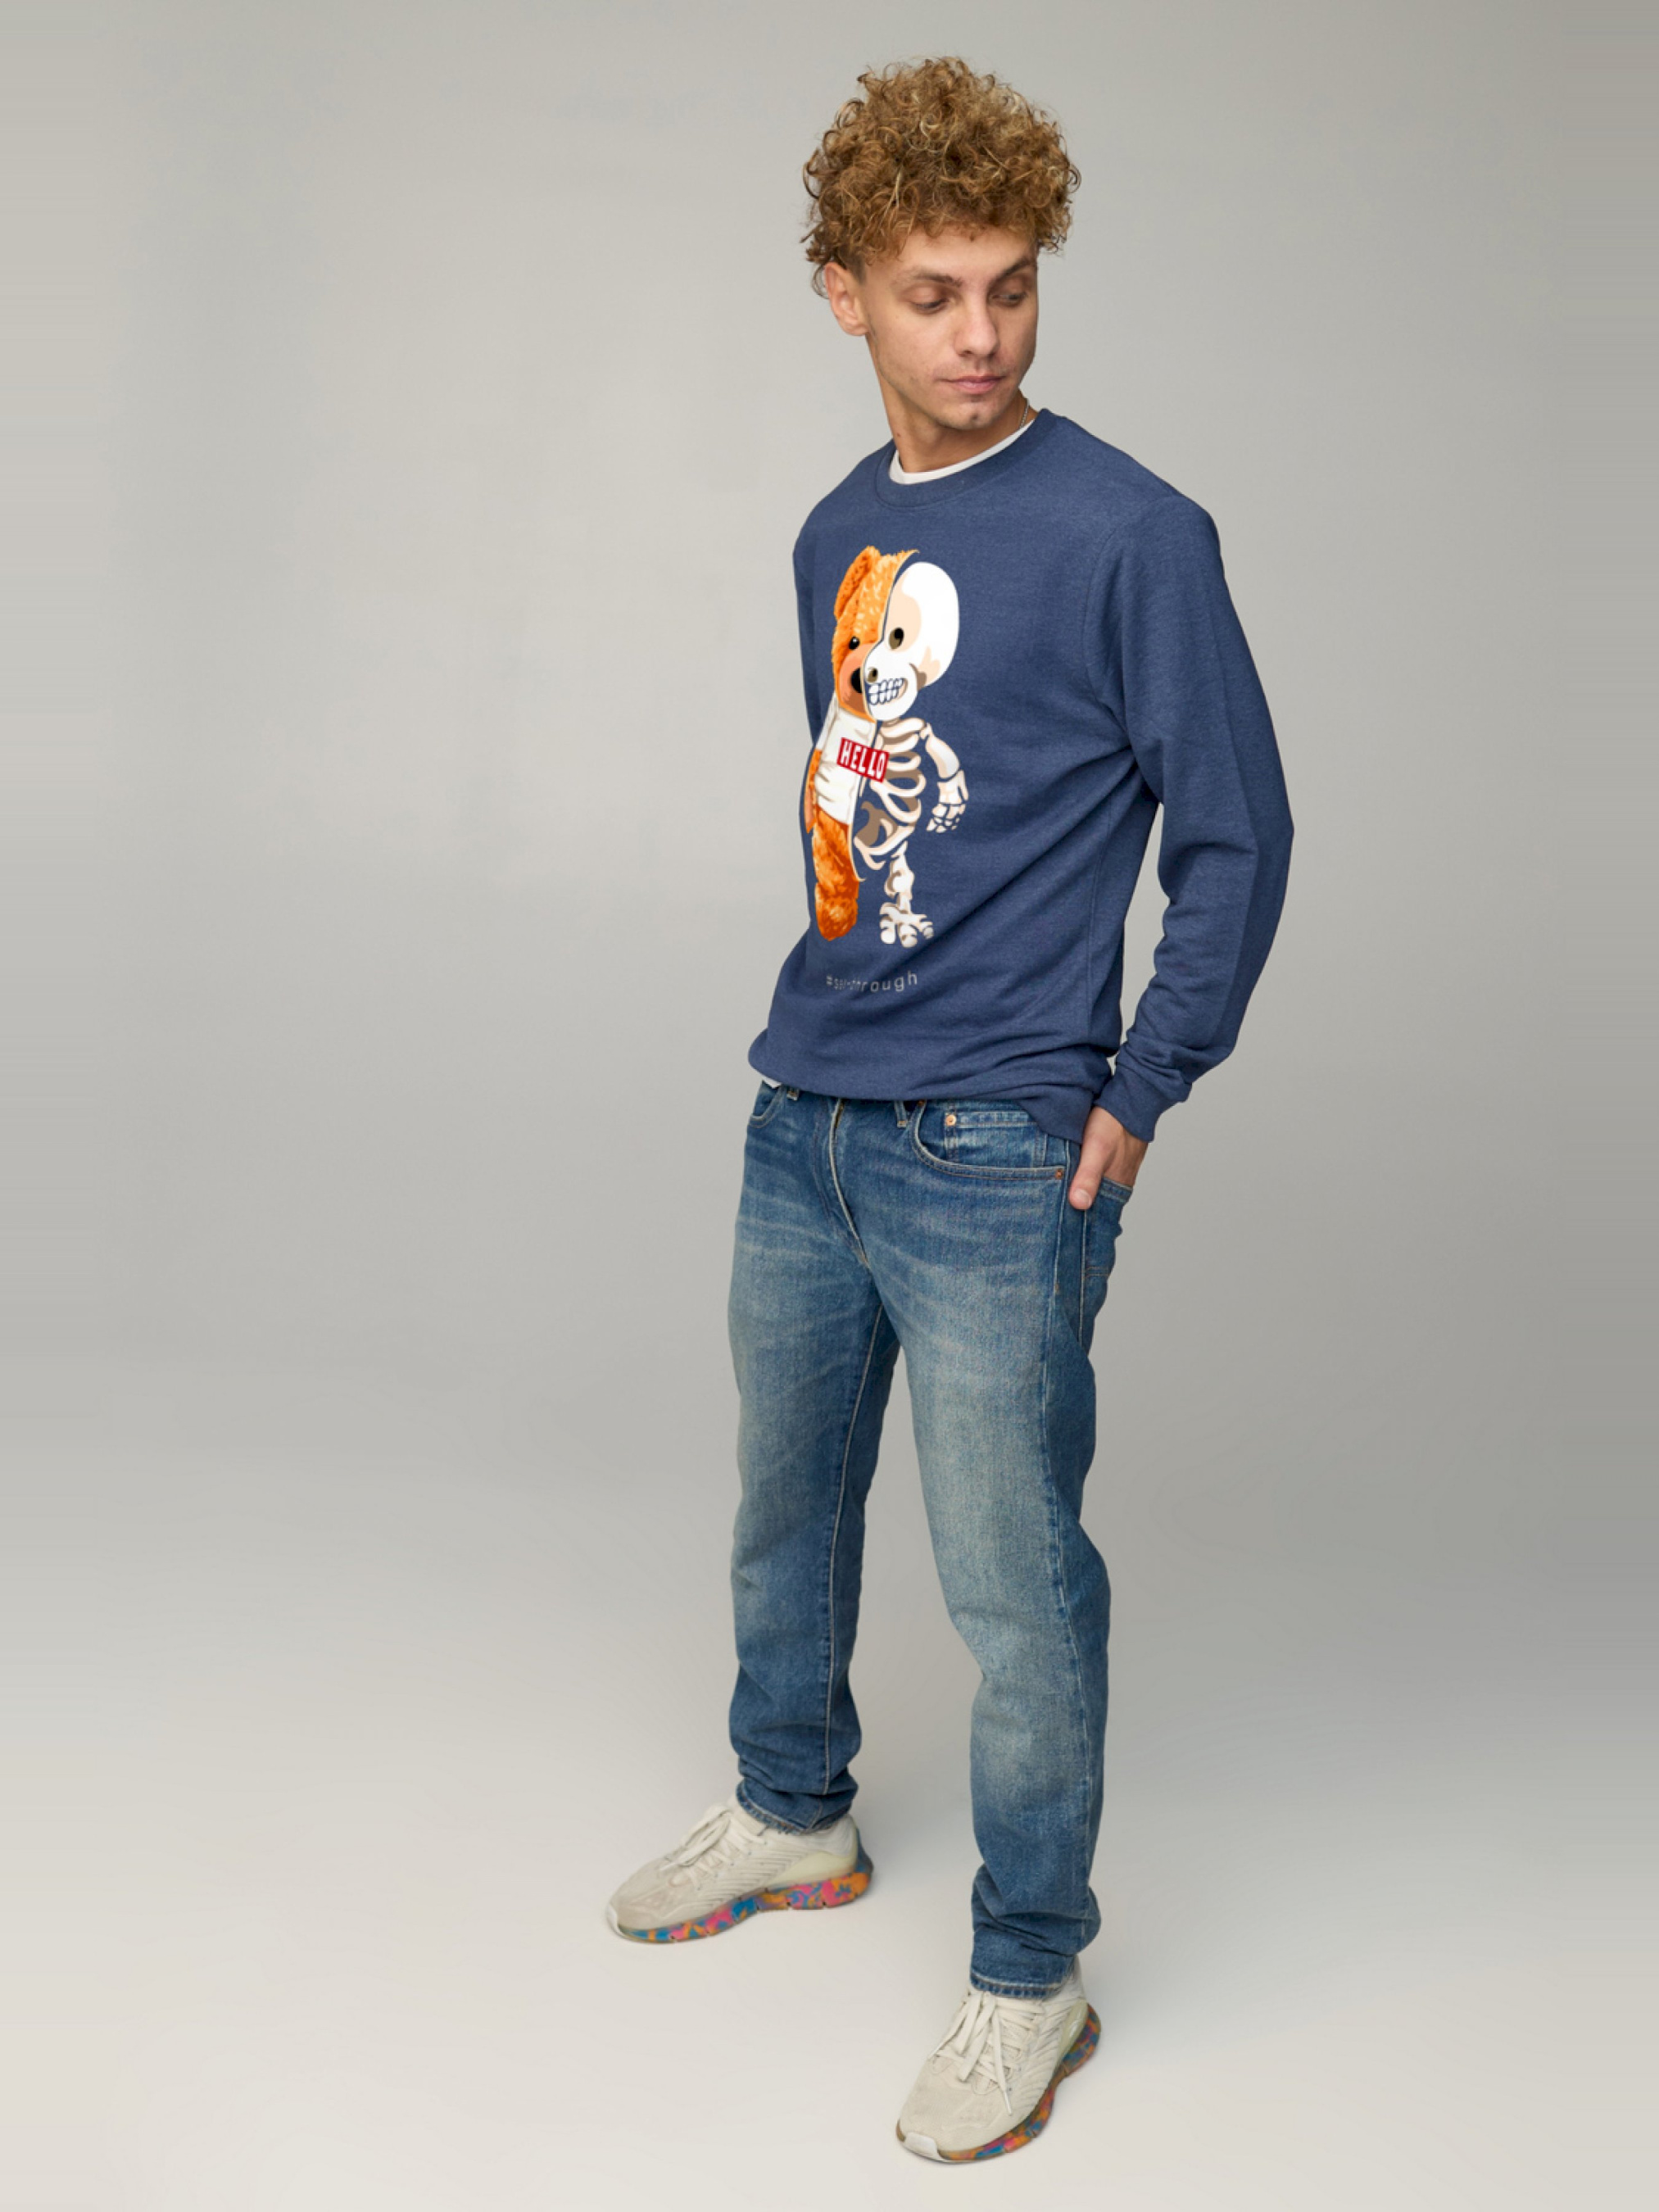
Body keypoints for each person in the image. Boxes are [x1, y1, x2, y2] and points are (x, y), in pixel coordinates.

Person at [605, 57, 1293, 2164]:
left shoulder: (1129, 532)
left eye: (1009, 287)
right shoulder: (839, 529)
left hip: (1001, 1146)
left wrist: (1140, 1086)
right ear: (843, 294)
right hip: (805, 1112)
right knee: (781, 1504)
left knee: (1010, 1584)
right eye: (931, 294)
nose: (979, 335)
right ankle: (791, 1808)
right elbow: (864, 822)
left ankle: (1029, 1968)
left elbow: (1237, 833)